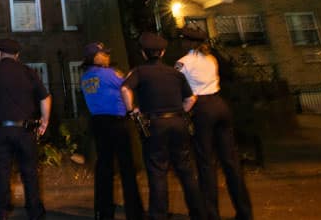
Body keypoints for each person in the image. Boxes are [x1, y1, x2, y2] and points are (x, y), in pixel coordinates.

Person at [121, 32, 205, 220]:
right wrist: (181, 112)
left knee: (157, 171)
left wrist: (132, 111)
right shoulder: (175, 73)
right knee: (186, 170)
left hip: (155, 124)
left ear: (143, 53)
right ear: (163, 52)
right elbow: (191, 98)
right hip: (177, 122)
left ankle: (159, 215)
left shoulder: (139, 72)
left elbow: (125, 88)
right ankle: (198, 213)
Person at [176, 27, 253, 220]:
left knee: (205, 163)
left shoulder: (184, 62)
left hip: (201, 107)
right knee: (231, 161)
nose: (180, 43)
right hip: (220, 105)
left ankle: (211, 213)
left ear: (188, 42)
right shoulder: (211, 59)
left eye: (183, 40)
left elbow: (178, 87)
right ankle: (244, 211)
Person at [0, 38, 50, 220]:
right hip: (25, 131)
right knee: (30, 173)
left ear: (0, 54)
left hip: (0, 131)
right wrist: (44, 120)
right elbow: (45, 98)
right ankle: (35, 212)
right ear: (17, 55)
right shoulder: (28, 72)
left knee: (1, 173)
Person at [80, 42, 143, 220]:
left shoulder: (85, 77)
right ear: (94, 57)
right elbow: (126, 87)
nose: (107, 56)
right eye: (103, 54)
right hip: (117, 123)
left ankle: (103, 211)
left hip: (98, 124)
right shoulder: (110, 74)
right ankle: (134, 212)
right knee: (126, 168)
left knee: (104, 167)